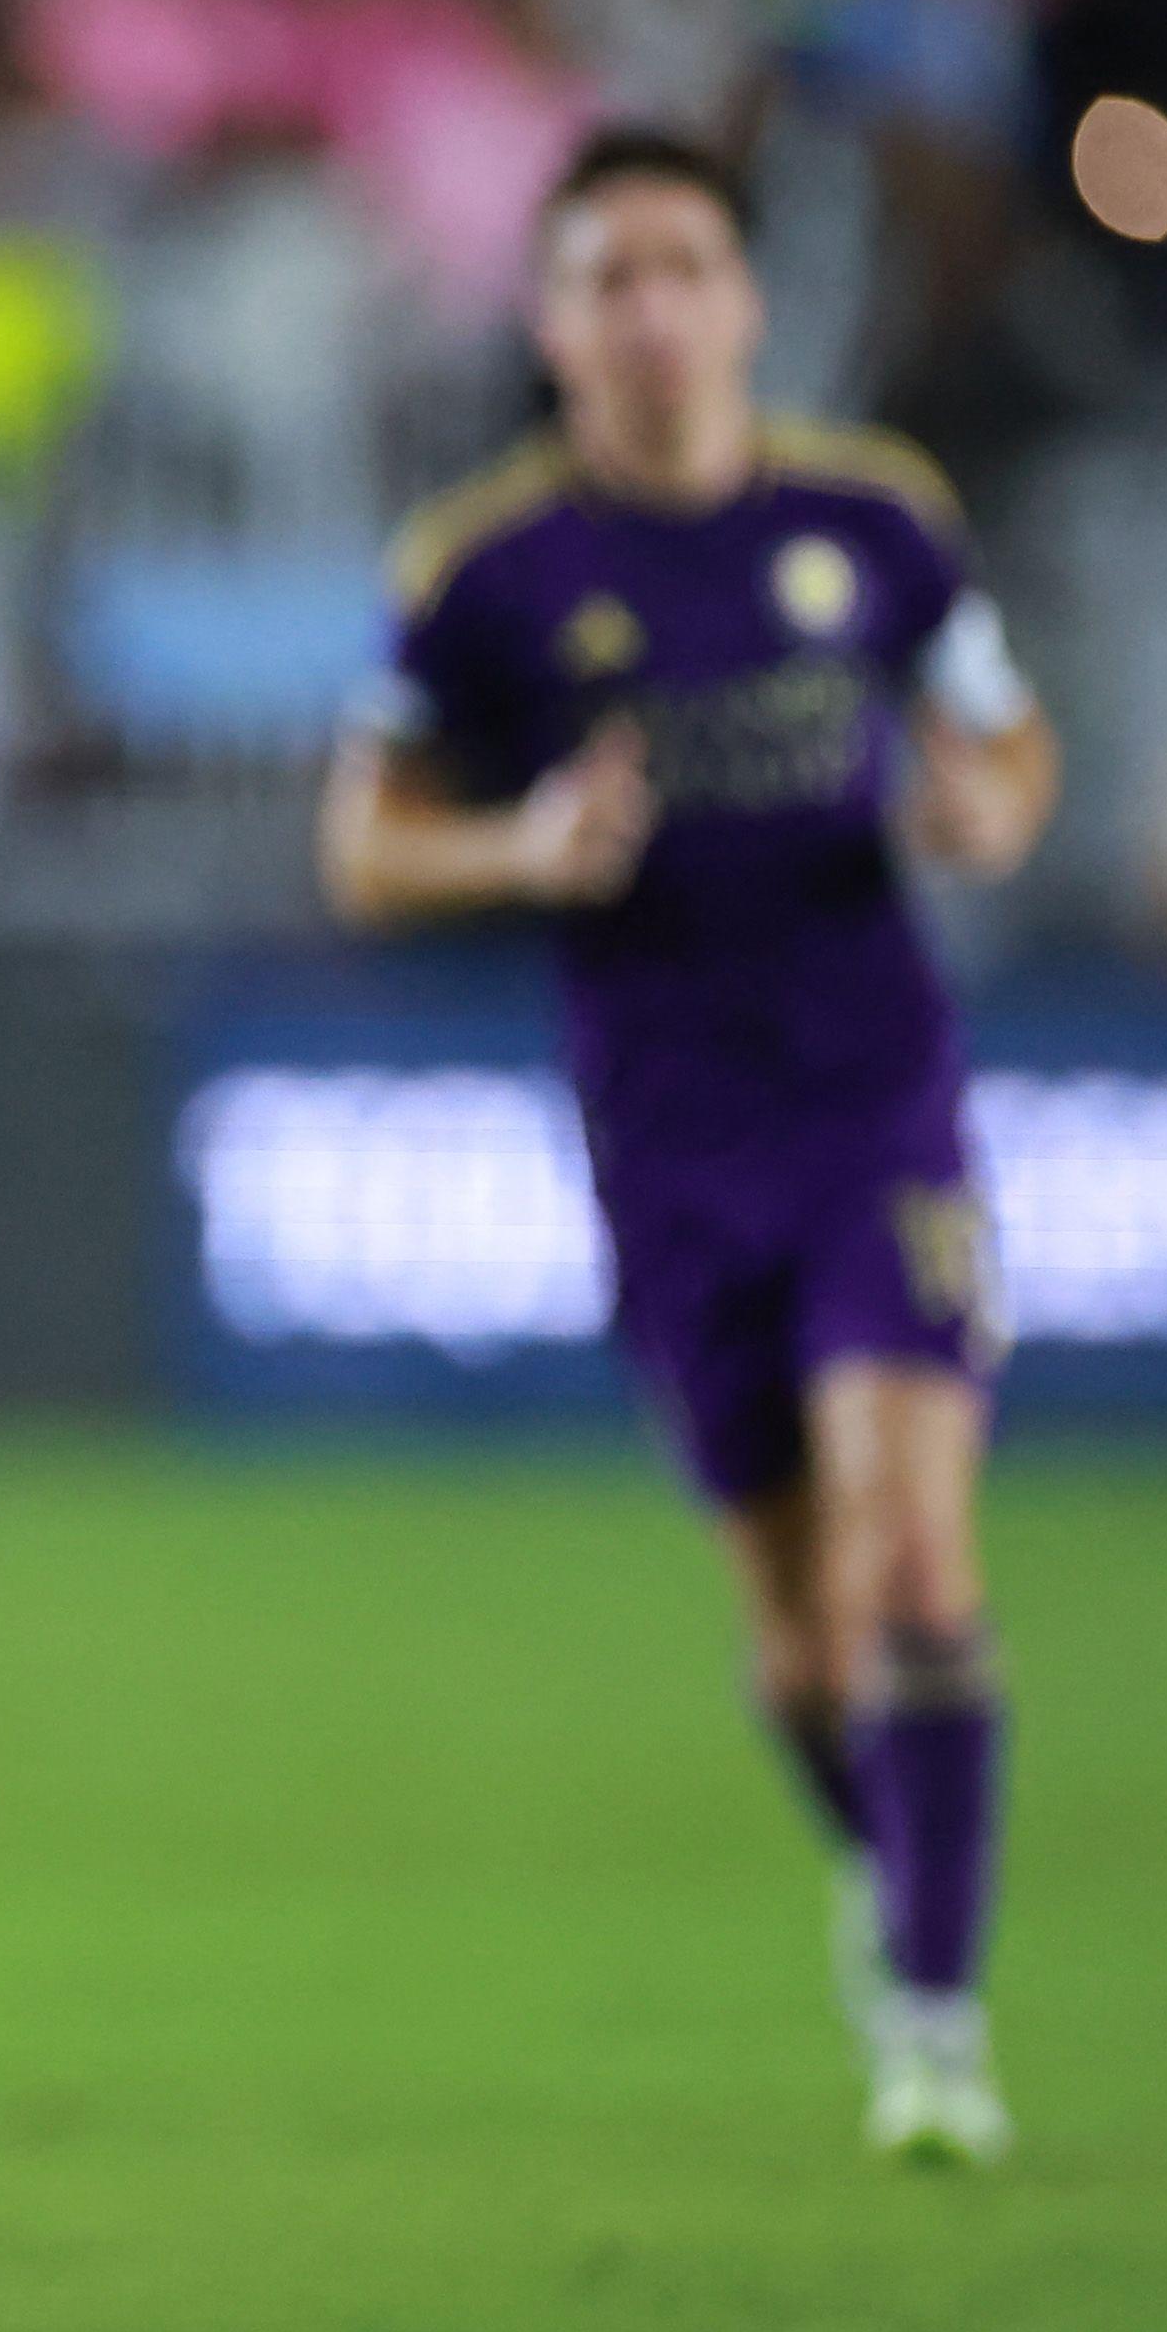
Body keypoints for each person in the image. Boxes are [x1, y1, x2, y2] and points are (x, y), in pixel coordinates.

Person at [321, 129, 1058, 2166]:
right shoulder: (486, 572)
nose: (653, 307)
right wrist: (520, 843)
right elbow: (361, 846)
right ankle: (889, 1861)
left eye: (686, 265)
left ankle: (935, 2020)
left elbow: (1002, 729)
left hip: (874, 1101)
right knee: (806, 1640)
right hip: (667, 1139)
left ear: (744, 300)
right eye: (608, 274)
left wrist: (993, 802)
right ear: (552, 322)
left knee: (917, 1559)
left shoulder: (873, 525)